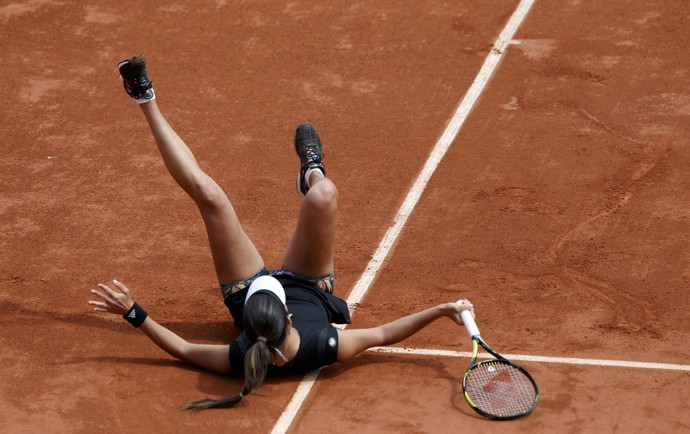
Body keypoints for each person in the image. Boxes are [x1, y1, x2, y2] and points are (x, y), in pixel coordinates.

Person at [88, 55, 475, 410]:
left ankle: (144, 98)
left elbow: (186, 349)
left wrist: (133, 312)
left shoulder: (241, 354)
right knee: (324, 195)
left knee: (209, 195)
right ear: (289, 319)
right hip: (308, 283)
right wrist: (440, 310)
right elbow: (386, 333)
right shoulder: (324, 345)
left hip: (245, 288)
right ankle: (312, 172)